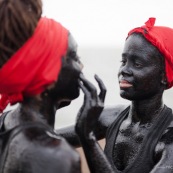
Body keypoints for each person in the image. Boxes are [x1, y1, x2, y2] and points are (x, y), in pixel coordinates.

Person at [57, 17, 173, 173]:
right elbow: (45, 137)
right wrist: (55, 101)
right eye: (123, 61)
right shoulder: (110, 118)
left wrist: (88, 139)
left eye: (137, 64)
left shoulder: (168, 139)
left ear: (164, 76)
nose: (124, 70)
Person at [0, 0, 104, 172]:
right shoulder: (56, 156)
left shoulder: (5, 121)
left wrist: (51, 106)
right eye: (74, 57)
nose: (81, 66)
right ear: (48, 72)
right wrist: (88, 137)